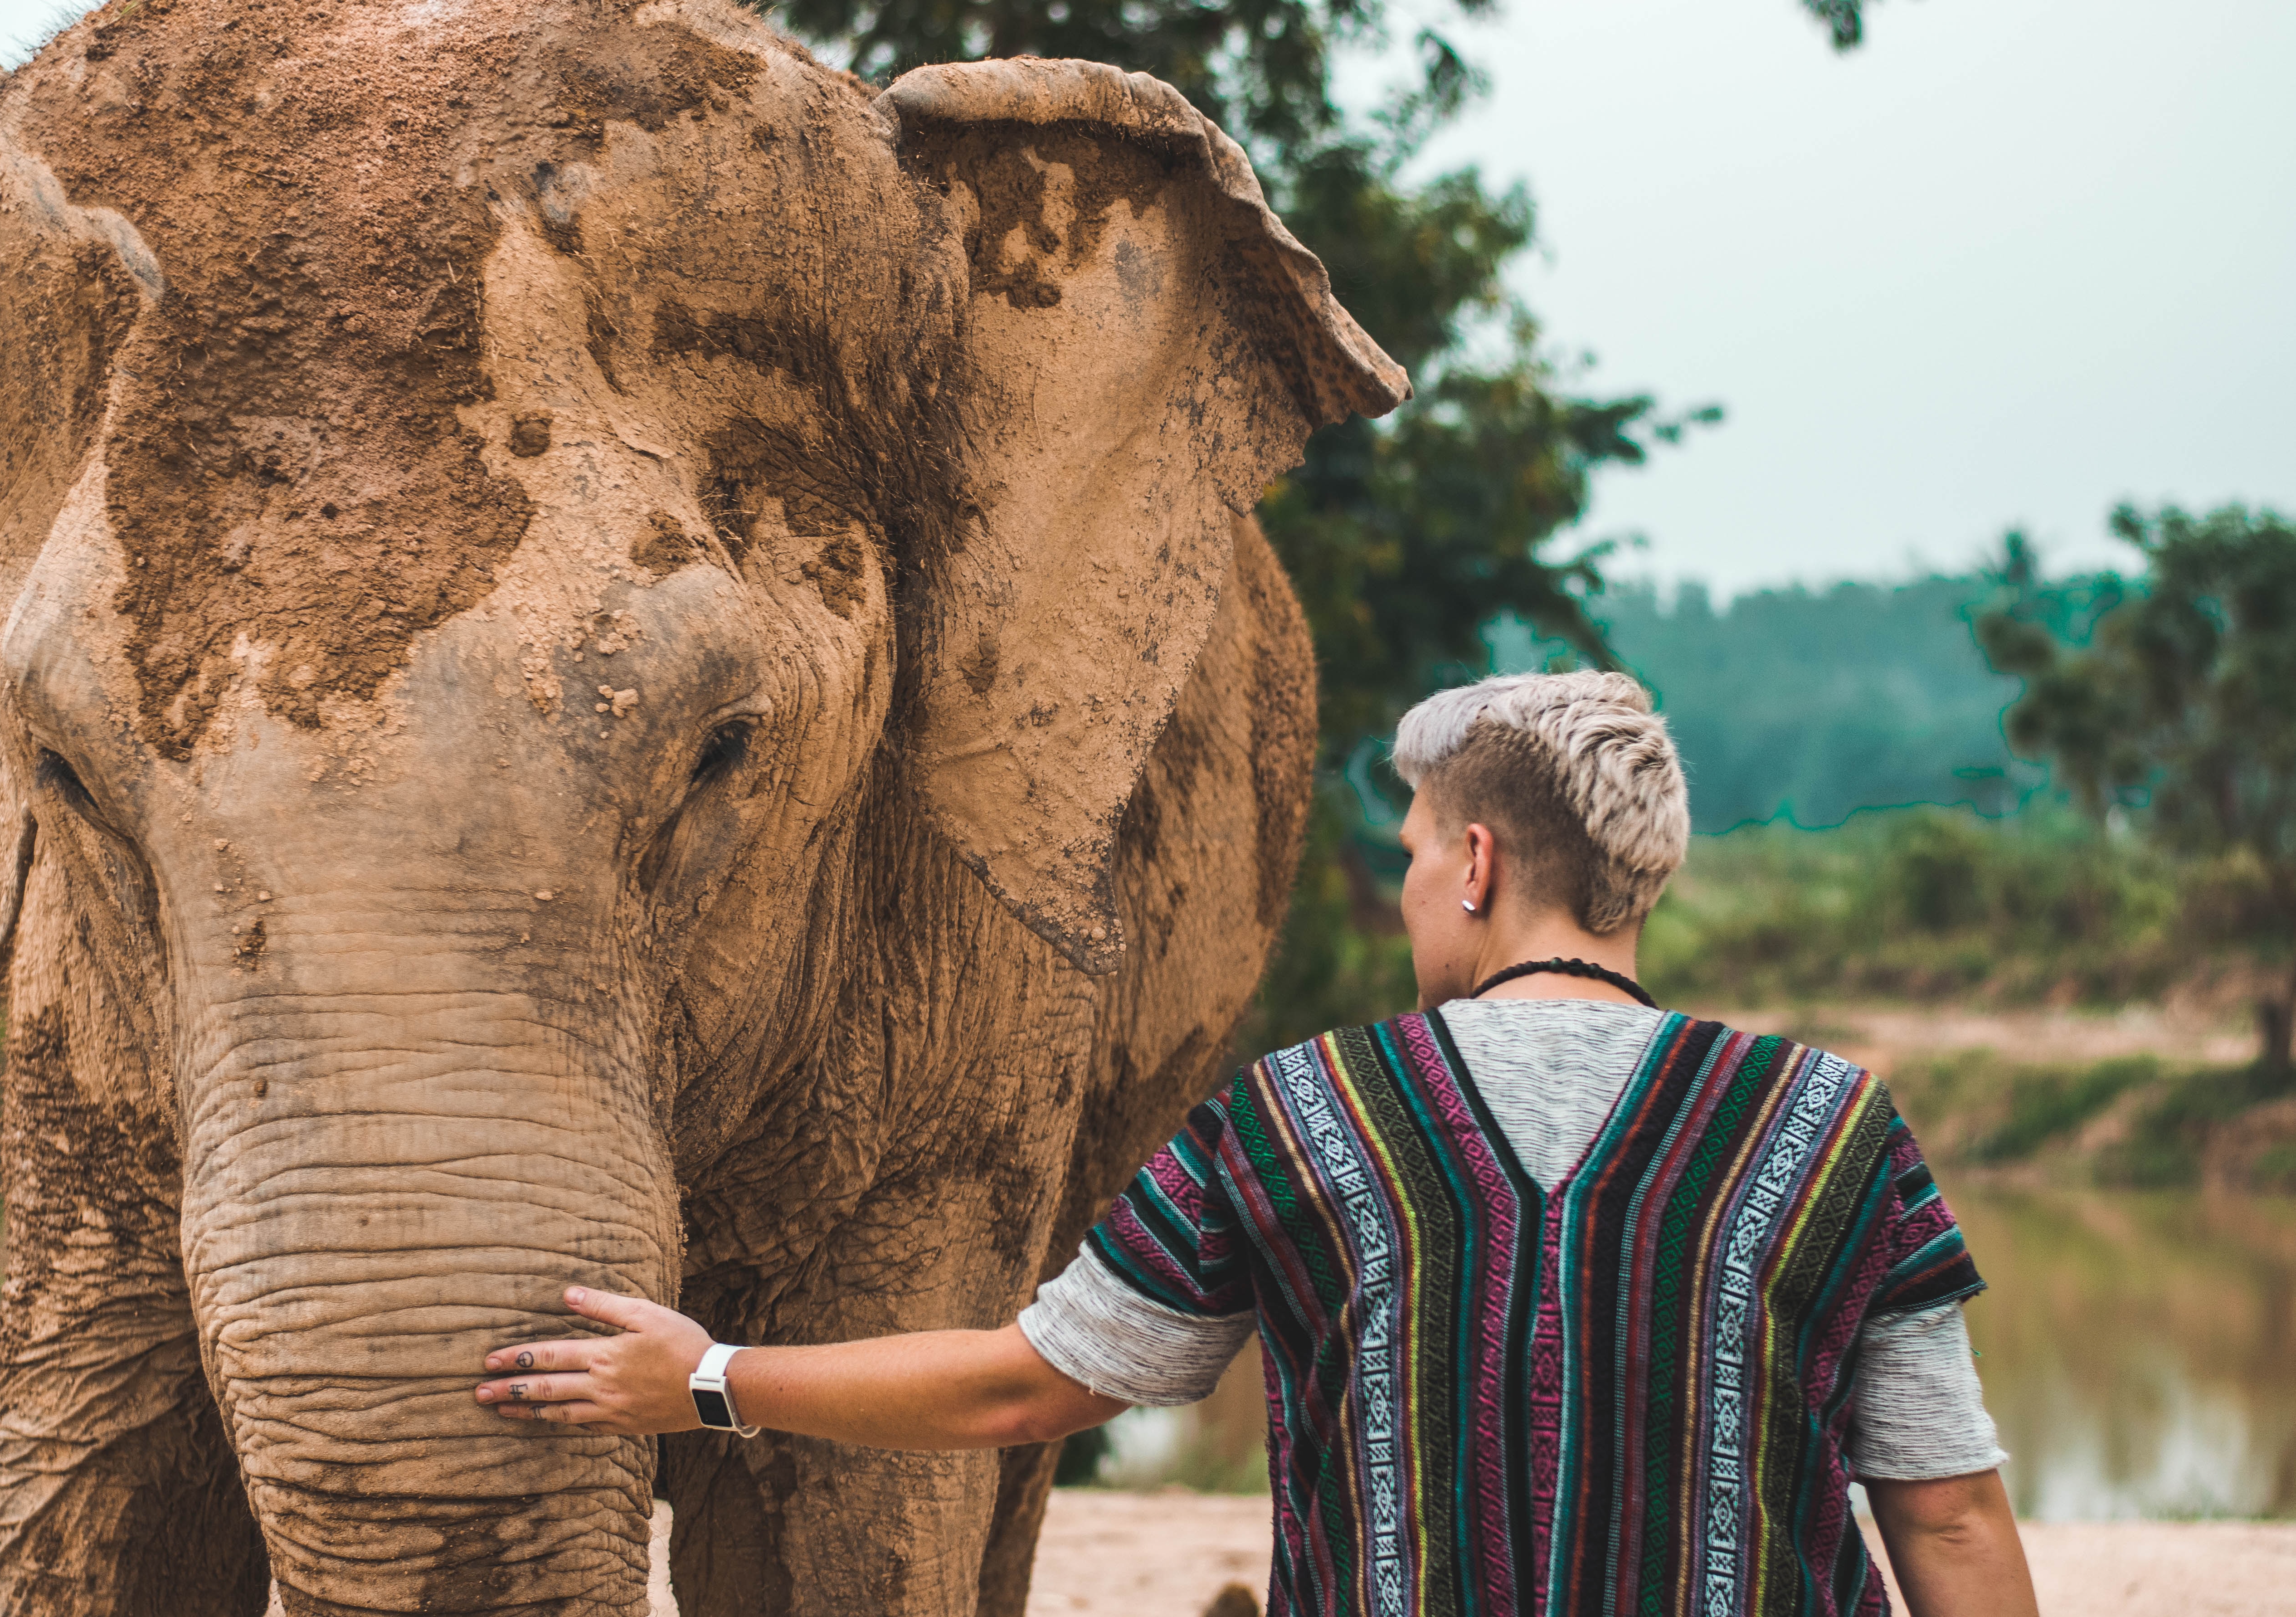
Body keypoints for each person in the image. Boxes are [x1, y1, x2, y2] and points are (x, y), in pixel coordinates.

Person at [472, 672, 2038, 1617]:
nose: (1413, 883)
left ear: (1480, 861)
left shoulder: (1302, 1116)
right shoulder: (1839, 1131)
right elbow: (1950, 1513)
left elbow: (1032, 1384)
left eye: (1418, 850)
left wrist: (700, 1377)